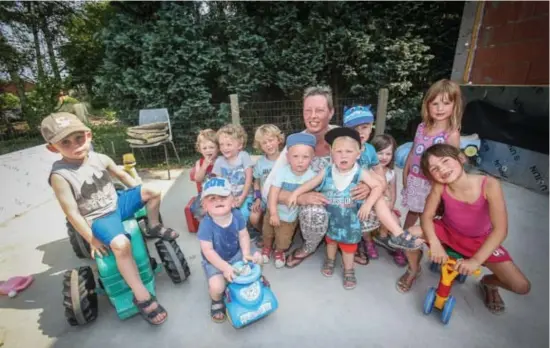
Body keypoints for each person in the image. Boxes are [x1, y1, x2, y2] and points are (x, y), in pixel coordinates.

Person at [43, 112, 177, 325]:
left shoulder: (100, 158)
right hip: (99, 217)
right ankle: (141, 296)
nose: (75, 145)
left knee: (153, 190)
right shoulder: (60, 176)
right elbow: (72, 213)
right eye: (65, 142)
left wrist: (138, 189)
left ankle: (153, 226)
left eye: (79, 138)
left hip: (118, 203)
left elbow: (121, 176)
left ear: (88, 135)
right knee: (121, 245)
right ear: (52, 147)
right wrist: (91, 239)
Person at [396, 144, 530, 315]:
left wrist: (475, 261)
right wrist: (435, 244)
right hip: (447, 231)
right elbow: (427, 217)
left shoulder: (489, 184)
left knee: (521, 286)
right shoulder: (439, 186)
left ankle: (489, 282)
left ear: (461, 158)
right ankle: (414, 269)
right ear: (431, 176)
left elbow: (500, 230)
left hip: (479, 241)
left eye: (445, 161)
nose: (442, 169)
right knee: (410, 235)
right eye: (435, 168)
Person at [288, 128, 385, 289]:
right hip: (331, 220)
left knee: (348, 249)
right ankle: (330, 261)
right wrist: (296, 193)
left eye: (348, 151)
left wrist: (368, 205)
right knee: (331, 243)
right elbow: (311, 183)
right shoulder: (327, 171)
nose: (343, 155)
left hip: (350, 223)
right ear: (332, 153)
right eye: (339, 151)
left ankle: (348, 270)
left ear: (358, 154)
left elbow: (377, 186)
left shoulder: (359, 173)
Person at [393, 79, 462, 250]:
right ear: (427, 105)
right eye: (435, 103)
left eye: (446, 103)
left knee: (428, 215)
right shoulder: (421, 127)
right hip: (415, 179)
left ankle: (426, 243)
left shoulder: (451, 134)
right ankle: (403, 238)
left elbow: (453, 165)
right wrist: (405, 175)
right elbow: (413, 151)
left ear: (455, 105)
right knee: (412, 211)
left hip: (434, 184)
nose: (440, 108)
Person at [197, 177, 262, 323]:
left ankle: (254, 284)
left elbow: (243, 234)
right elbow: (208, 251)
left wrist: (245, 253)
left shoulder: (237, 215)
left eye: (223, 197)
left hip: (235, 254)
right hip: (214, 261)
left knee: (250, 269)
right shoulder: (206, 225)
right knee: (217, 286)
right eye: (212, 198)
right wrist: (225, 267)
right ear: (204, 205)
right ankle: (216, 301)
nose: (218, 201)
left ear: (233, 201)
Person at [263, 133, 317, 268]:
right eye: (295, 156)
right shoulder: (282, 171)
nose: (300, 161)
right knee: (267, 233)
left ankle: (279, 251)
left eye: (305, 157)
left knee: (284, 239)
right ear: (288, 157)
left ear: (312, 158)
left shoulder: (312, 176)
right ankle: (266, 248)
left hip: (289, 216)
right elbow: (273, 192)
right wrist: (274, 213)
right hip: (273, 210)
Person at [341, 105, 385, 265]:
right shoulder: (343, 148)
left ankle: (371, 240)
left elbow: (377, 168)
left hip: (367, 190)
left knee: (377, 205)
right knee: (349, 217)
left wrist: (380, 184)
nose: (360, 132)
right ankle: (354, 244)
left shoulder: (371, 149)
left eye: (365, 127)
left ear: (371, 127)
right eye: (354, 128)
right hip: (348, 192)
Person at [360, 134, 408, 267]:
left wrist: (390, 207)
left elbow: (393, 193)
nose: (384, 157)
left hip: (386, 208)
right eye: (380, 153)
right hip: (369, 206)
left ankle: (397, 246)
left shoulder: (391, 173)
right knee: (364, 218)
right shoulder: (367, 171)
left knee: (395, 221)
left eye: (388, 153)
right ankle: (368, 241)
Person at [212, 124, 255, 233]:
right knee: (225, 214)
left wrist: (242, 197)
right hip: (227, 196)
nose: (224, 148)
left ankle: (244, 232)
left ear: (239, 145)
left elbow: (249, 180)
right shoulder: (219, 161)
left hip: (246, 195)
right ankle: (232, 234)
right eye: (221, 145)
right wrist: (229, 198)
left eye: (229, 144)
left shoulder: (243, 156)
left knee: (243, 214)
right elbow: (219, 184)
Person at [249, 124, 284, 246]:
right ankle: (264, 233)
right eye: (264, 143)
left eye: (271, 140)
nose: (269, 145)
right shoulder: (260, 163)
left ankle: (275, 236)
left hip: (281, 198)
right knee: (253, 217)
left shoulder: (286, 159)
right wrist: (257, 198)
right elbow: (257, 182)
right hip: (264, 198)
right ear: (260, 146)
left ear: (278, 140)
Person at [189, 129, 218, 220]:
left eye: (211, 147)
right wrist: (204, 166)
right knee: (197, 208)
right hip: (204, 193)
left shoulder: (221, 161)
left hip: (220, 191)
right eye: (204, 148)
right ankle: (206, 226)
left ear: (218, 148)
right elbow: (198, 179)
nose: (208, 150)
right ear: (200, 149)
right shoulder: (200, 163)